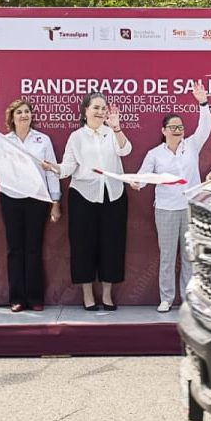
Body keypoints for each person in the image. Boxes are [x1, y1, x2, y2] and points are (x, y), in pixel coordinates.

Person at [49, 92, 132, 313]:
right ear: (85, 111)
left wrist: (116, 128)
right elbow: (68, 167)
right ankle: (87, 294)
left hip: (113, 194)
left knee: (112, 245)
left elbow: (125, 150)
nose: (100, 112)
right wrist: (54, 168)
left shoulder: (111, 132)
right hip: (83, 196)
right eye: (95, 107)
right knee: (83, 245)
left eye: (103, 108)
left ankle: (107, 294)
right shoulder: (76, 137)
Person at [133, 83, 211, 312]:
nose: (177, 130)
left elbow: (205, 127)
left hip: (190, 208)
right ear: (164, 130)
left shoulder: (192, 145)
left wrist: (203, 103)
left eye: (180, 127)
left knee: (189, 256)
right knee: (167, 256)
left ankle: (188, 299)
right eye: (173, 127)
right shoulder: (155, 154)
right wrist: (138, 183)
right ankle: (166, 298)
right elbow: (144, 176)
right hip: (165, 210)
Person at [0, 99, 61, 312]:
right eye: (19, 112)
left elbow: (51, 171)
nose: (24, 115)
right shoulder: (4, 141)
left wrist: (55, 201)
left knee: (33, 249)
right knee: (14, 249)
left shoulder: (42, 140)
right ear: (12, 117)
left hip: (37, 199)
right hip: (11, 198)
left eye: (27, 111)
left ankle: (35, 298)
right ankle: (17, 298)